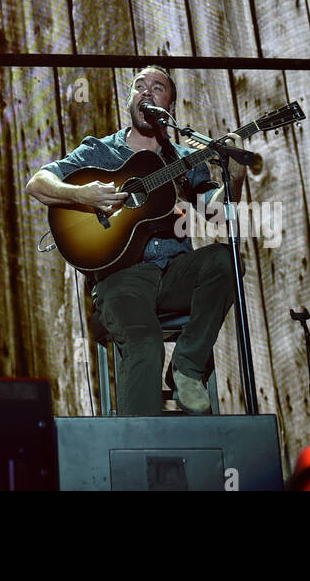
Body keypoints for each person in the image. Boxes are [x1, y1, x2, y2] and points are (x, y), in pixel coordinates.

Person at [24, 66, 245, 416]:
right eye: (138, 86)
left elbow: (216, 215)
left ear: (169, 105)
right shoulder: (100, 151)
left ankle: (187, 368)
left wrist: (235, 178)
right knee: (145, 343)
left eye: (157, 87)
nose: (146, 91)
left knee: (226, 258)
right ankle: (142, 456)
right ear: (129, 100)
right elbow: (37, 184)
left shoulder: (183, 160)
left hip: (174, 272)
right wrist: (82, 195)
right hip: (122, 280)